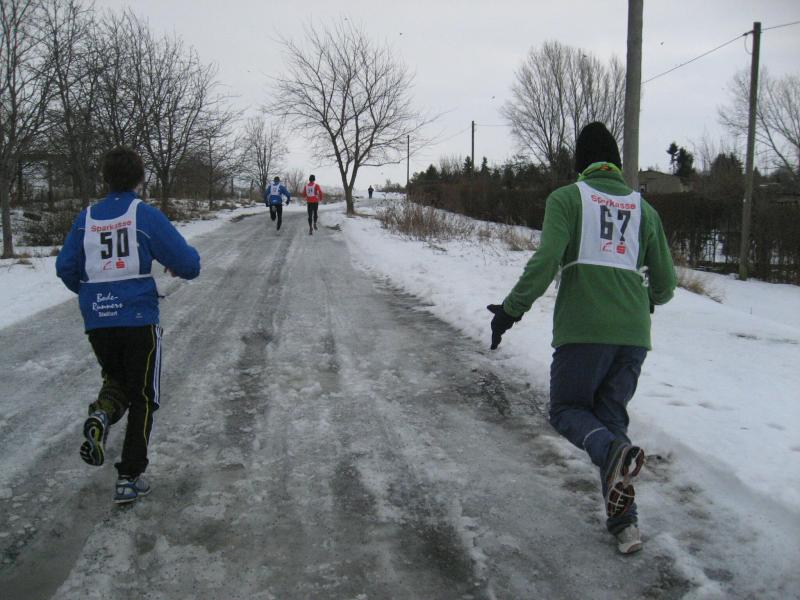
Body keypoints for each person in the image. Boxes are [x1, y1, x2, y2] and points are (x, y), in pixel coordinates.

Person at [487, 122, 676, 554]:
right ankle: (626, 526)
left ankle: (612, 457)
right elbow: (665, 286)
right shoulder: (645, 210)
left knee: (567, 409)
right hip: (633, 337)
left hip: (584, 331)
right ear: (616, 164)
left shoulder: (568, 198)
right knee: (611, 420)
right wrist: (644, 297)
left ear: (581, 164)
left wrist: (510, 311)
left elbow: (545, 261)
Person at [56, 147, 201, 504]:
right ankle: (129, 477)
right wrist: (173, 264)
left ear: (105, 178)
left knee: (118, 380)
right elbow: (189, 264)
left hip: (98, 321)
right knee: (144, 397)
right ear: (140, 178)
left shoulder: (85, 218)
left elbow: (65, 268)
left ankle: (102, 414)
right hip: (137, 319)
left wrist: (92, 295)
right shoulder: (143, 215)